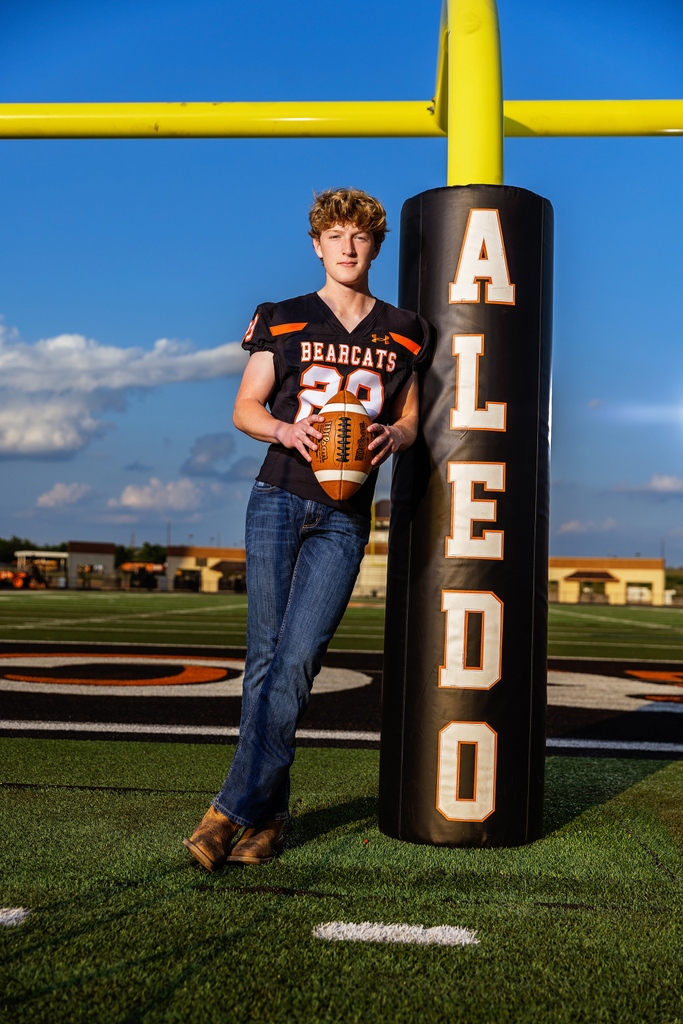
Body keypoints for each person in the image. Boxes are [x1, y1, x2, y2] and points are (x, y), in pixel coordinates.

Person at [183, 187, 432, 870]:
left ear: (375, 246)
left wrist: (397, 435)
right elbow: (245, 406)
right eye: (336, 236)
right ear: (317, 245)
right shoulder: (284, 316)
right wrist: (285, 430)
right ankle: (267, 821)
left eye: (360, 236)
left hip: (346, 515)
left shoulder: (406, 329)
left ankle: (227, 811)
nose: (348, 247)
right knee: (266, 662)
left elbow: (411, 417)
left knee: (297, 660)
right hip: (279, 497)